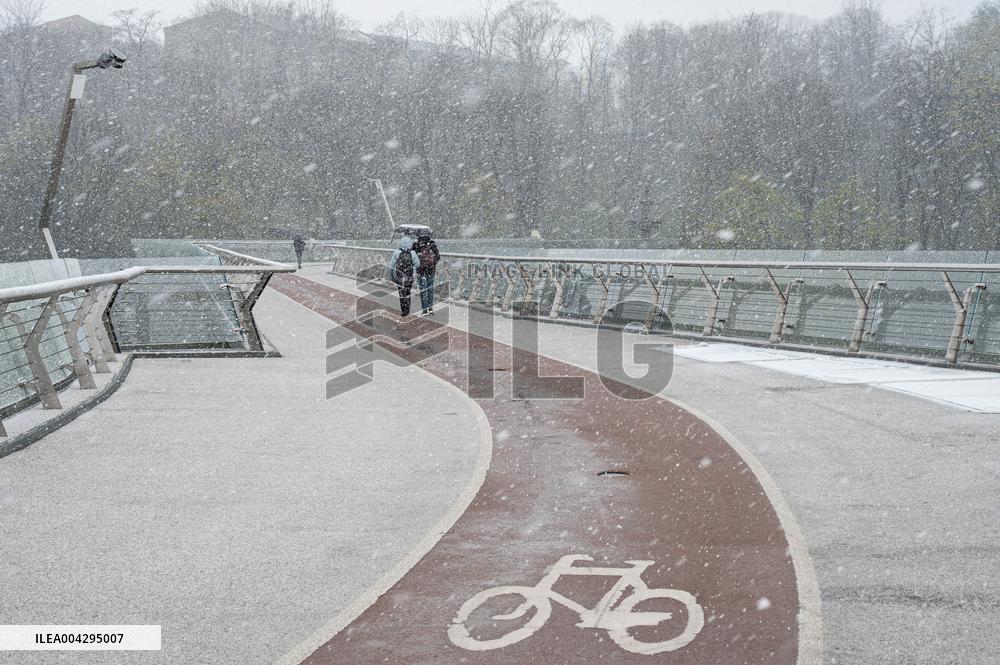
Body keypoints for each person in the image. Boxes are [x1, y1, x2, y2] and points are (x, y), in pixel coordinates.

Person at [388, 236, 420, 316]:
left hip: (399, 276)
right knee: (408, 292)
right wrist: (412, 264)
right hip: (409, 276)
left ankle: (403, 310)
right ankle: (407, 309)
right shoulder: (413, 253)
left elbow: (391, 265)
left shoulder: (396, 252)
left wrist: (391, 274)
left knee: (401, 293)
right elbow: (418, 264)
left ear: (400, 243)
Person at [413, 231, 440, 315]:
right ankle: (430, 308)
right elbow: (438, 256)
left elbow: (412, 257)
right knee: (430, 289)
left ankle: (424, 309)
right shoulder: (432, 244)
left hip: (421, 271)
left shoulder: (416, 245)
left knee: (423, 289)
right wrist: (432, 263)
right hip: (431, 270)